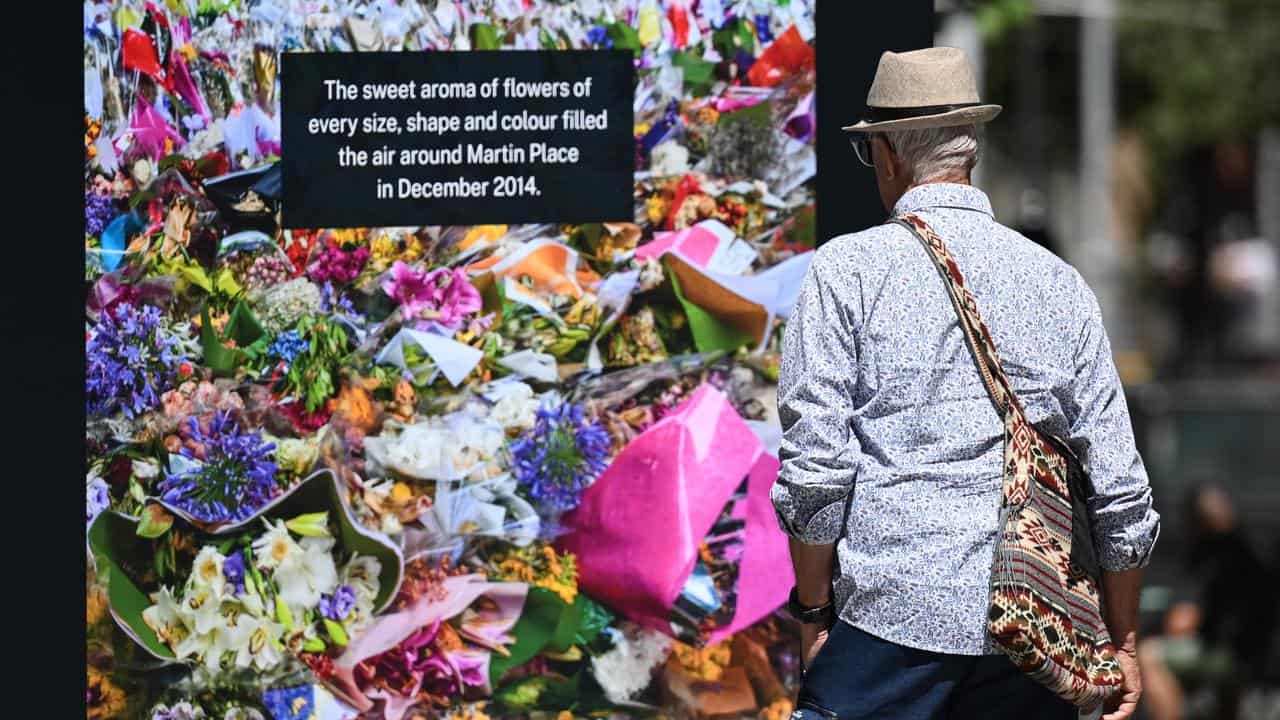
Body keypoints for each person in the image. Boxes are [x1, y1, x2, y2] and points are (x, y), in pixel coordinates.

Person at [770, 47, 1161, 720]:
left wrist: (813, 615)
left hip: (890, 622)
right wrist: (1123, 640)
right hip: (1035, 632)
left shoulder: (847, 272)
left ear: (888, 157)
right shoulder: (1057, 282)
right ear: (969, 153)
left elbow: (817, 475)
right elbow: (1122, 493)